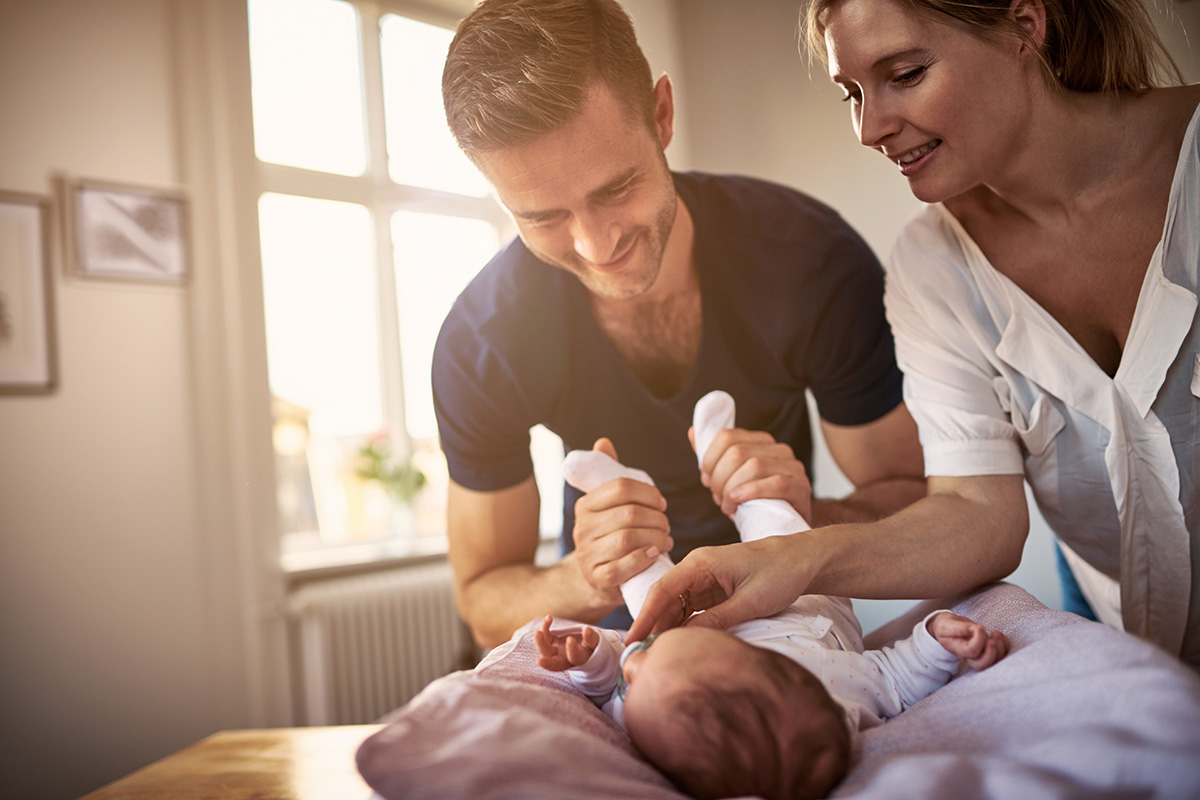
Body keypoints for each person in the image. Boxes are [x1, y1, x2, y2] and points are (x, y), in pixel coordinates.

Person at [630, 0, 1200, 670]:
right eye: (852, 92)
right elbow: (978, 512)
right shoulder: (931, 269)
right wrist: (795, 555)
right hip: (1132, 654)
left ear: (1025, 23)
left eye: (904, 73)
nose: (869, 128)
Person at [434, 0, 926, 648]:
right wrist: (587, 578)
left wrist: (804, 516)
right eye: (542, 217)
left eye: (614, 188)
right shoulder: (482, 343)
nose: (594, 244)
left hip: (785, 628)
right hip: (615, 647)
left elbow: (918, 499)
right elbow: (483, 598)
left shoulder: (811, 265)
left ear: (662, 115)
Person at [535, 603, 1010, 800]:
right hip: (805, 607)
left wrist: (592, 661)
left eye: (633, 681)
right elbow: (897, 674)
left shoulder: (645, 728)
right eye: (652, 650)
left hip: (744, 608)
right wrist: (937, 640)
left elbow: (604, 690)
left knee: (648, 590)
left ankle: (612, 484)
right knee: (779, 523)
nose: (631, 663)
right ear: (739, 648)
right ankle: (751, 497)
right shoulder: (832, 682)